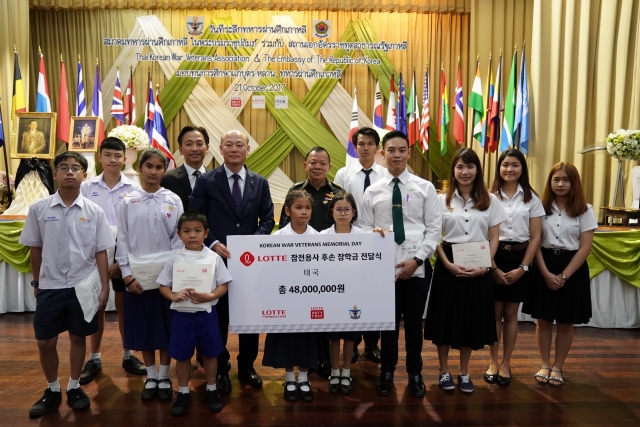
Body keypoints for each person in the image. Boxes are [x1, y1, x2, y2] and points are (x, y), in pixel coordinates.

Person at [20, 151, 114, 418]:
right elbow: (35, 249)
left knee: (78, 337)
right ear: (56, 174)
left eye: (76, 168)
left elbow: (101, 252)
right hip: (50, 285)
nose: (70, 172)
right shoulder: (39, 209)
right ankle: (52, 388)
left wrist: (104, 287)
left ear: (85, 175)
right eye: (64, 168)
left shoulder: (94, 212)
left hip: (82, 286)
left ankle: (74, 386)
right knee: (45, 342)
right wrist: (37, 281)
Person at [190, 130, 275, 392]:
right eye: (229, 144)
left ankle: (247, 366)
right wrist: (213, 242)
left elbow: (268, 219)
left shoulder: (259, 182)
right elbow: (196, 217)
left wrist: (252, 243)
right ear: (220, 149)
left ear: (248, 149)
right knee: (219, 318)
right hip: (215, 260)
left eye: (240, 145)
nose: (234, 149)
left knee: (248, 316)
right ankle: (221, 367)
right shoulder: (206, 180)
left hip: (249, 263)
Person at [360, 130, 441, 399]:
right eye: (391, 150)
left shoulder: (425, 188)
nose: (396, 155)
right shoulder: (372, 191)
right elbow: (362, 227)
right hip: (383, 269)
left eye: (402, 150)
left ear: (408, 153)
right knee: (388, 323)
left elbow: (434, 229)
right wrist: (370, 236)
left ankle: (415, 373)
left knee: (415, 323)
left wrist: (416, 261)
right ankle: (387, 371)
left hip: (417, 268)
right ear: (382, 153)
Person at [424, 148, 507, 394]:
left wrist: (485, 266)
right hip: (448, 263)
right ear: (453, 170)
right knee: (445, 319)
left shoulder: (492, 201)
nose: (465, 172)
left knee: (469, 320)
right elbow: (433, 237)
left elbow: (494, 238)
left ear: (477, 170)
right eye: (460, 167)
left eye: (470, 167)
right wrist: (446, 264)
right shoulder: (440, 200)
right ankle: (443, 370)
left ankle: (463, 372)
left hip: (479, 262)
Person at [117, 148, 184, 401]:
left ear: (164, 170)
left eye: (159, 167)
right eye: (149, 166)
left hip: (166, 278)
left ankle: (165, 375)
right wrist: (126, 275)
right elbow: (122, 239)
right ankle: (151, 375)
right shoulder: (127, 200)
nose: (153, 172)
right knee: (144, 327)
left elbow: (178, 240)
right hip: (138, 278)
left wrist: (171, 273)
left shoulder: (173, 200)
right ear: (140, 168)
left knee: (166, 327)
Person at [522, 162, 598, 387]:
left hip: (572, 268)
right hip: (543, 262)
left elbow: (585, 247)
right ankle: (544, 364)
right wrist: (545, 273)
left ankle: (558, 366)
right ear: (550, 182)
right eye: (557, 179)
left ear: (574, 183)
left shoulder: (585, 209)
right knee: (543, 320)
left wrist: (563, 276)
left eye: (566, 179)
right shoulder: (540, 207)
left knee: (566, 322)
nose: (561, 184)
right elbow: (534, 241)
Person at [78, 137, 145, 385]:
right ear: (100, 157)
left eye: (118, 155)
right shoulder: (86, 187)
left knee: (124, 305)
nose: (113, 160)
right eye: (108, 155)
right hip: (92, 254)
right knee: (97, 303)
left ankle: (128, 354)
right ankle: (94, 357)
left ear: (125, 158)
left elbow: (135, 227)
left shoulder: (134, 188)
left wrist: (121, 261)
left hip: (123, 252)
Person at [158, 211, 232, 417]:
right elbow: (163, 286)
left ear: (206, 233)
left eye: (197, 231)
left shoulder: (213, 257)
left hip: (207, 314)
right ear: (179, 234)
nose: (192, 235)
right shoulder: (174, 258)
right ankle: (182, 392)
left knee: (210, 354)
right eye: (187, 231)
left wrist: (210, 296)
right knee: (181, 356)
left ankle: (211, 389)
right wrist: (174, 296)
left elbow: (223, 284)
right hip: (182, 316)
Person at [279, 146, 343, 378]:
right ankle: (306, 360)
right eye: (313, 162)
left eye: (322, 163)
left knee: (326, 311)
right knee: (305, 312)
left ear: (329, 166)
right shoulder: (295, 190)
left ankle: (324, 359)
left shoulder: (337, 191)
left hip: (327, 260)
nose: (317, 167)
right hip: (298, 264)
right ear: (305, 165)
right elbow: (286, 223)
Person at [484, 149, 545, 386]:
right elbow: (484, 234)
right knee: (494, 314)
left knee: (511, 315)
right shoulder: (488, 197)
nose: (510, 169)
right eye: (505, 165)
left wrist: (523, 268)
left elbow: (536, 237)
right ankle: (492, 362)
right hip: (493, 256)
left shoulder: (532, 198)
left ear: (522, 169)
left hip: (520, 257)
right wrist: (493, 267)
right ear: (499, 168)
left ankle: (506, 363)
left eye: (515, 165)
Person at [333, 126, 385, 364]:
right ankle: (351, 344)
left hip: (377, 241)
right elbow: (339, 205)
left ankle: (372, 344)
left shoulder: (385, 175)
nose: (365, 148)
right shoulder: (344, 174)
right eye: (361, 144)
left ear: (377, 147)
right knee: (349, 292)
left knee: (373, 295)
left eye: (370, 143)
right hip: (348, 241)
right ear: (355, 147)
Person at [263, 190, 319, 402]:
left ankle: (303, 378)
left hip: (309, 298)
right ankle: (289, 377)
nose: (304, 212)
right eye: (298, 207)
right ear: (287, 210)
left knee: (306, 338)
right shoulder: (277, 238)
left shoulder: (319, 238)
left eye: (307, 208)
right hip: (284, 298)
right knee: (286, 338)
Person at [320, 192, 362, 394]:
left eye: (347, 209)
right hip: (331, 295)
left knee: (350, 337)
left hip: (354, 294)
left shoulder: (364, 237)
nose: (343, 213)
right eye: (339, 209)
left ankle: (347, 371)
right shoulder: (321, 237)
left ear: (353, 213)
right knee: (333, 337)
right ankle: (334, 371)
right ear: (332, 212)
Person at [160, 125, 209, 211]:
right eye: (189, 144)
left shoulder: (216, 179)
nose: (194, 149)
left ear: (207, 148)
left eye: (199, 144)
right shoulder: (168, 179)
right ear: (180, 149)